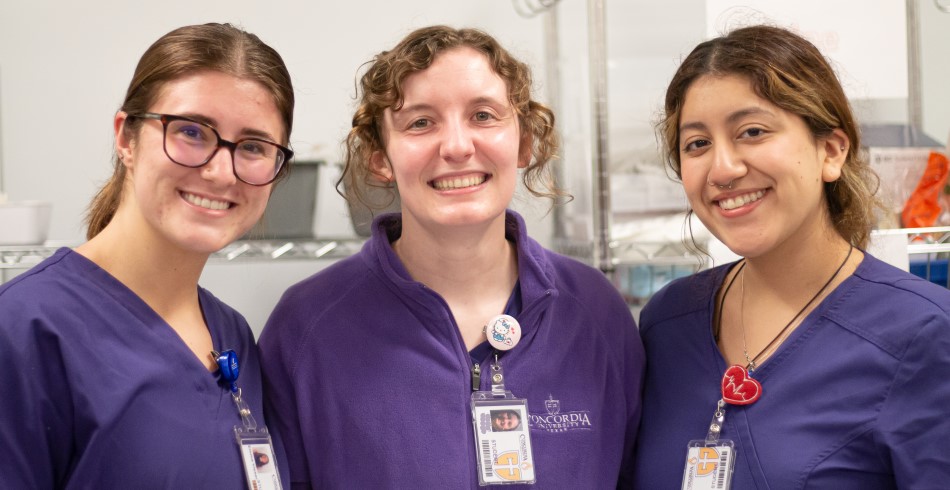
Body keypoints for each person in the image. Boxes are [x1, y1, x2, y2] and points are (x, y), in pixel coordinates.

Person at [259, 25, 643, 488]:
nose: (458, 146)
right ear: (381, 157)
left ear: (524, 143)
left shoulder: (595, 312)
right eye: (420, 122)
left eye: (483, 115)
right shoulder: (307, 327)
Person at [633, 24, 950, 488]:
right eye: (697, 143)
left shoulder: (923, 334)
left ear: (831, 151)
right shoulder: (668, 322)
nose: (723, 168)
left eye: (753, 131)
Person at [0, 23, 294, 488]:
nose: (220, 172)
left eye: (254, 146)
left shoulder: (232, 333)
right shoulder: (23, 329)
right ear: (126, 138)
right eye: (192, 131)